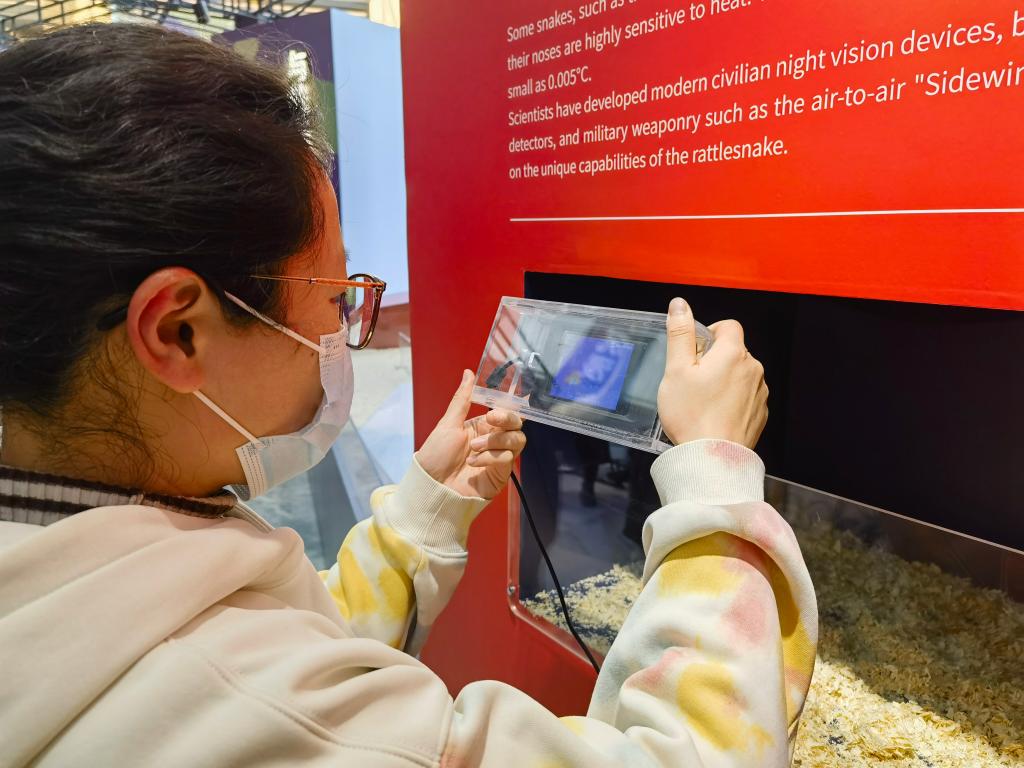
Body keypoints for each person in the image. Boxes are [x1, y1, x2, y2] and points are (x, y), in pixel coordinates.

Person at [0, 24, 817, 768]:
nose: (342, 330)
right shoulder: (246, 705)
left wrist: (427, 511)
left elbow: (297, 635)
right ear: (178, 332)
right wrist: (715, 480)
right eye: (333, 298)